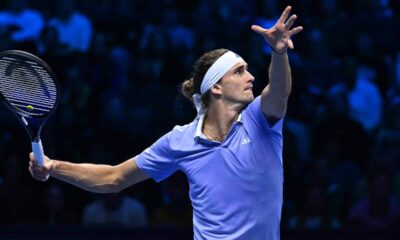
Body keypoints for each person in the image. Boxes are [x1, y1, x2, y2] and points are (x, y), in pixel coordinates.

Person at [29, 6, 302, 239]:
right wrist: (54, 166)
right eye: (240, 71)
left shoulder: (259, 120)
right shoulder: (179, 141)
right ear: (216, 88)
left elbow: (279, 91)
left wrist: (279, 54)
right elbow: (113, 178)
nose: (251, 77)